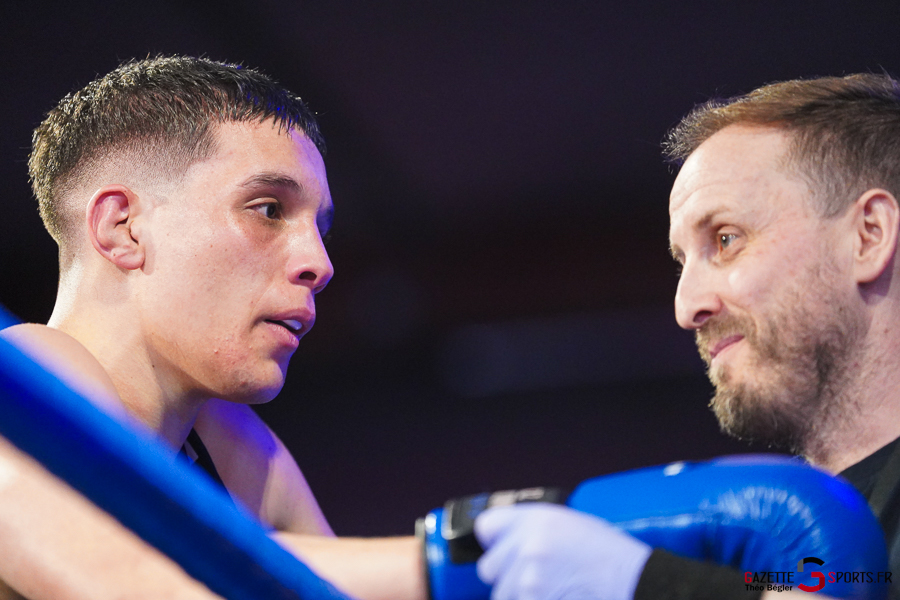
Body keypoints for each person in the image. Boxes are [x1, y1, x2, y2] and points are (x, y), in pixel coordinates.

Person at [0, 54, 424, 600]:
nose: (320, 264)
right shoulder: (23, 374)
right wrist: (449, 557)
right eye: (269, 210)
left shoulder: (232, 446)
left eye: (320, 229)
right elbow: (136, 584)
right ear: (123, 228)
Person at [471, 73, 900, 599]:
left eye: (726, 239)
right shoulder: (776, 544)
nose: (686, 307)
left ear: (868, 235)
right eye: (682, 261)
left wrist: (652, 586)